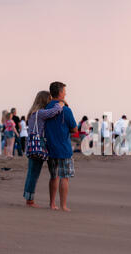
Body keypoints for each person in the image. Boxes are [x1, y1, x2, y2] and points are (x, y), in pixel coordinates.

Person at [23, 91, 63, 208]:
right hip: (39, 143)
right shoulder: (40, 113)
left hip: (31, 143)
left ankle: (28, 197)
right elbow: (54, 111)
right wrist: (59, 104)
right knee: (34, 173)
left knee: (31, 172)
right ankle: (30, 201)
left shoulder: (32, 114)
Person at [45, 82, 77, 211]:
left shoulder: (46, 108)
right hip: (63, 148)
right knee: (64, 177)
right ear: (59, 93)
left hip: (50, 147)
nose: (65, 93)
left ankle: (52, 203)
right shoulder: (66, 110)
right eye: (64, 91)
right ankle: (63, 205)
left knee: (53, 176)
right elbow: (74, 129)